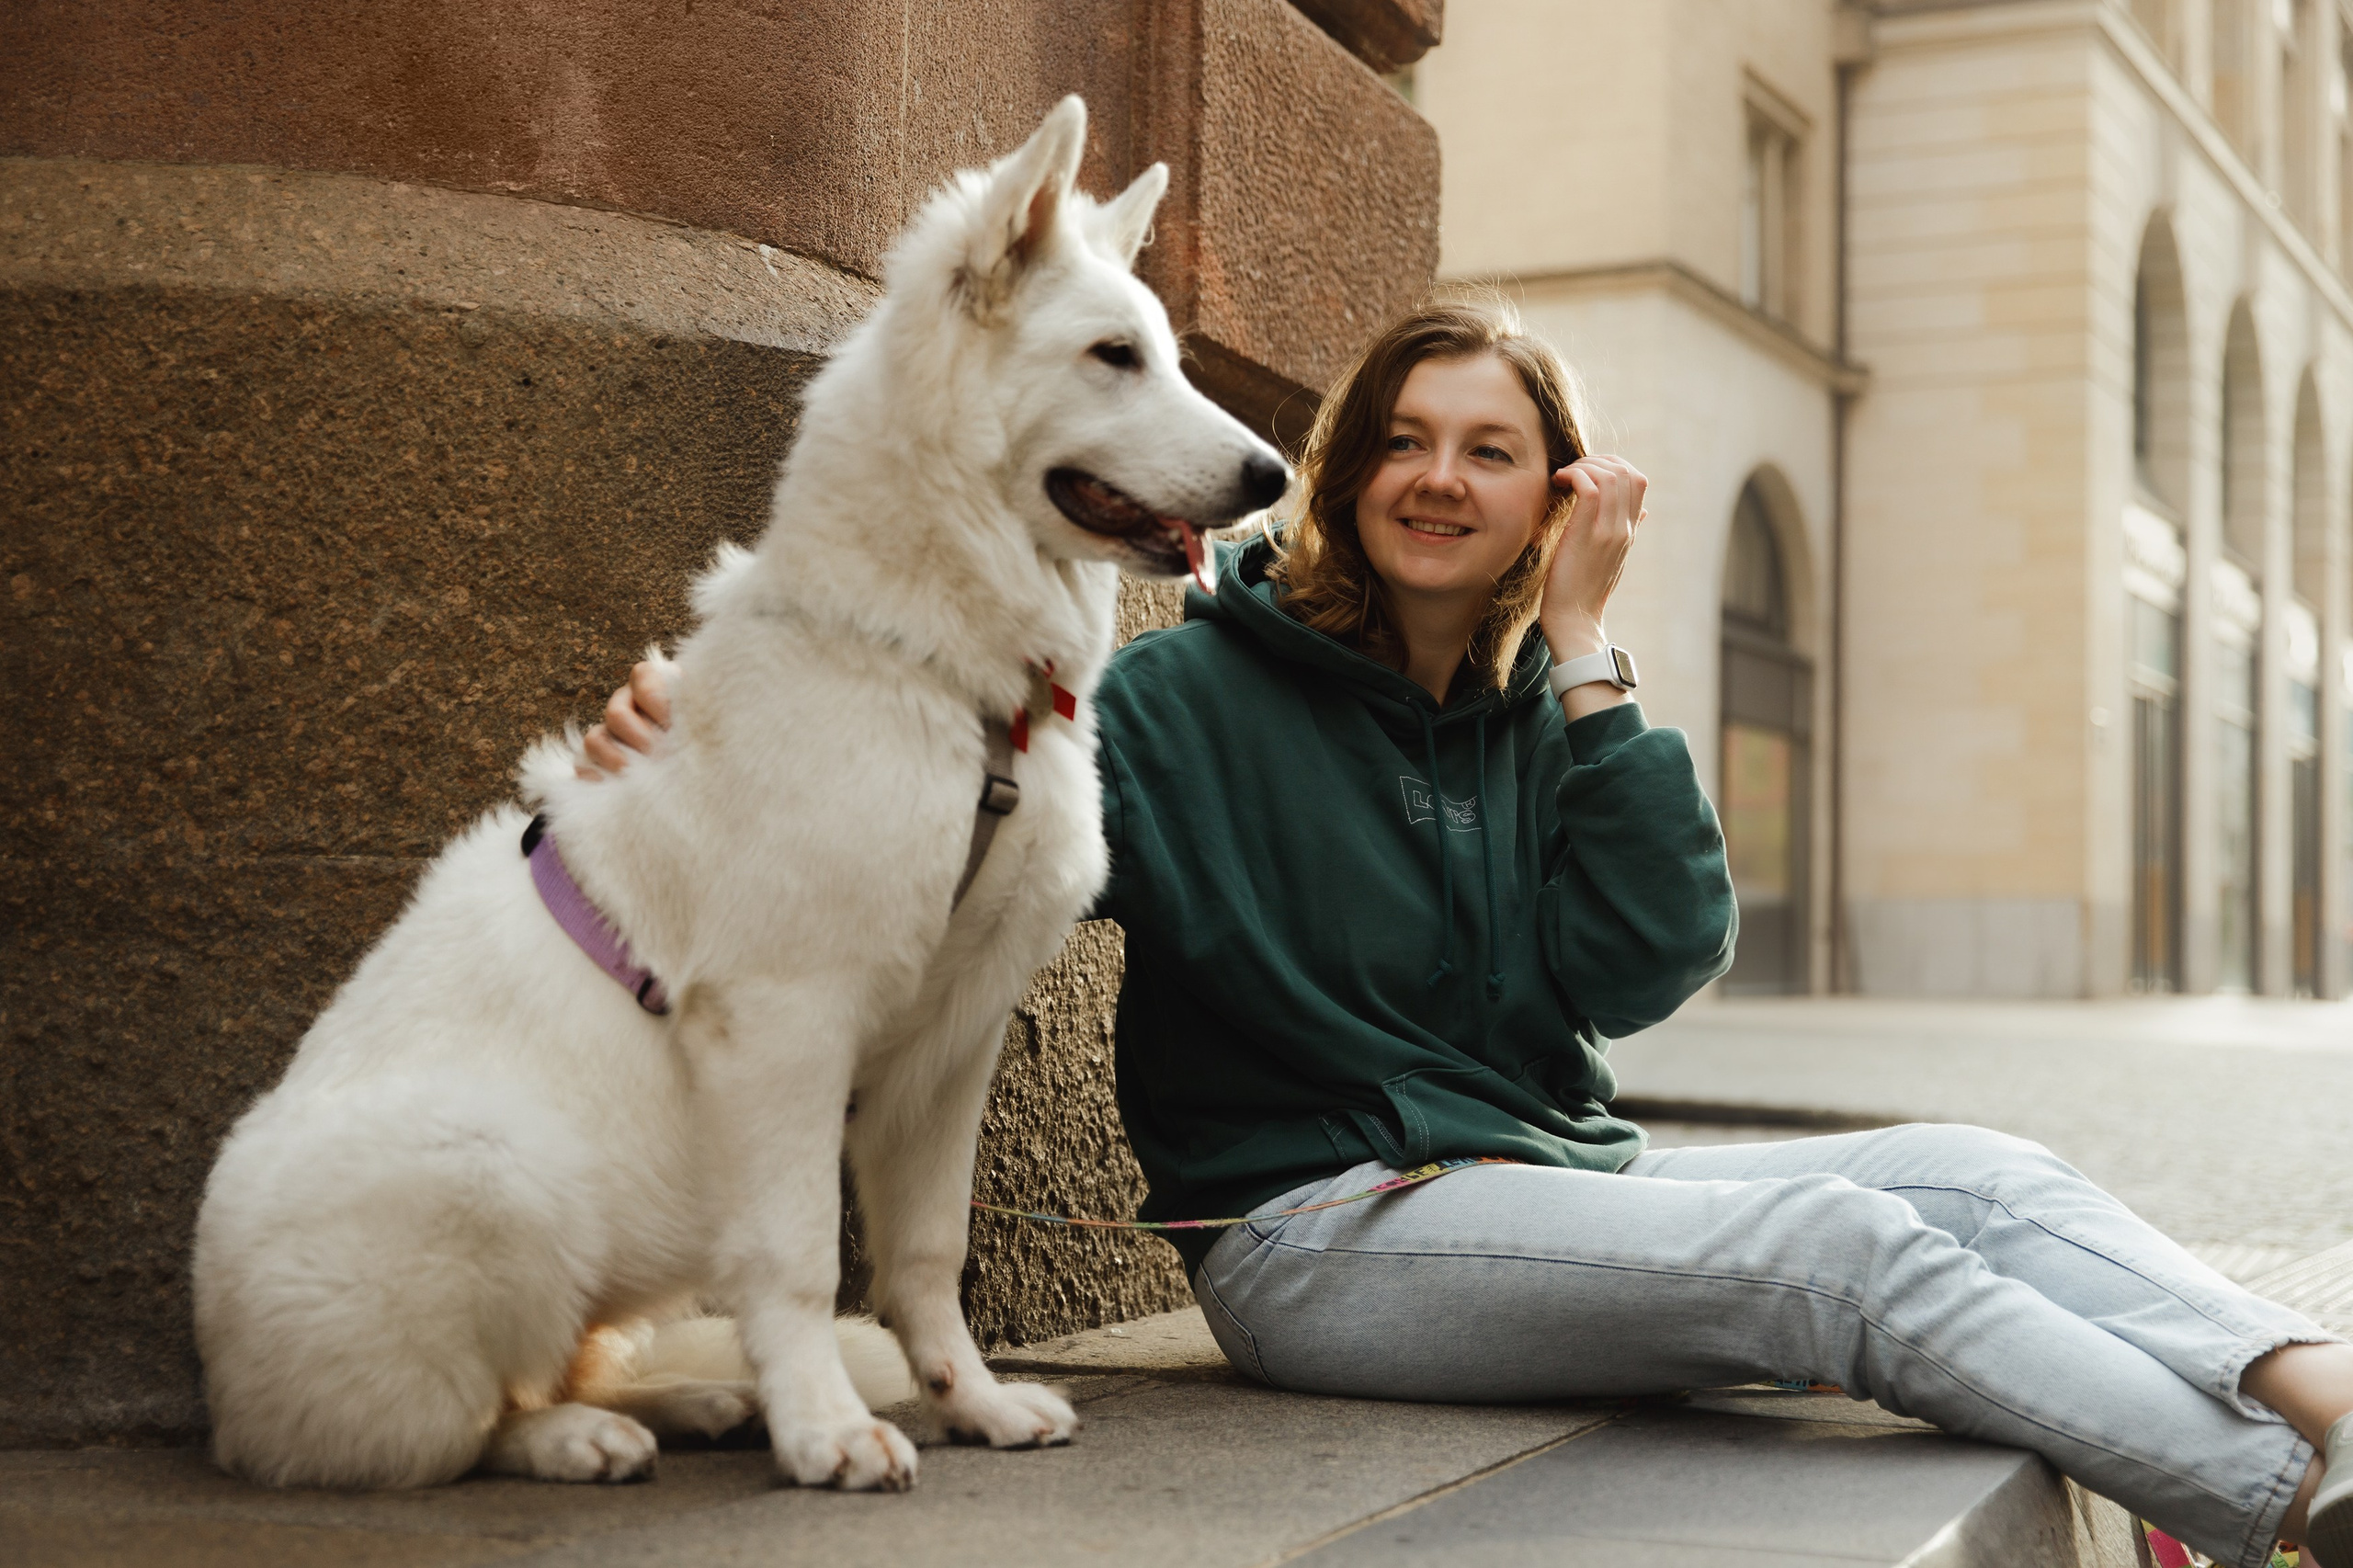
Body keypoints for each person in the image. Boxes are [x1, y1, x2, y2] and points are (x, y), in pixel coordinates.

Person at [582, 296, 2353, 1567]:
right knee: (1843, 1248)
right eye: (1404, 443)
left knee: (1978, 1167)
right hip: (1317, 1238)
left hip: (1544, 1175)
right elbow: (935, 774)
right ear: (1348, 474)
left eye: (1491, 451)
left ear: (1554, 495)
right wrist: (696, 726)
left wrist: (1587, 655)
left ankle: (2327, 1398)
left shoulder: (1537, 708)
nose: (1438, 479)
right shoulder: (1176, 696)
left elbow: (1649, 960)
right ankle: (2293, 1507)